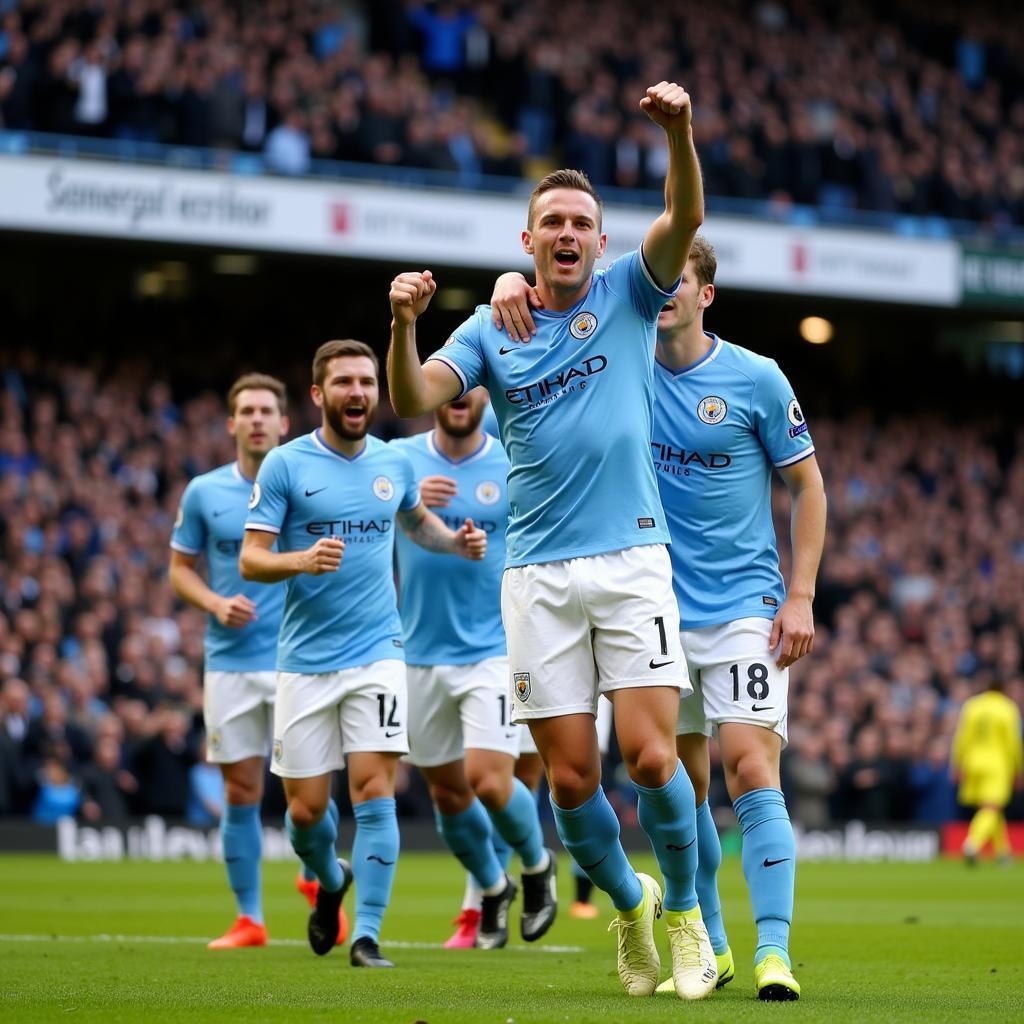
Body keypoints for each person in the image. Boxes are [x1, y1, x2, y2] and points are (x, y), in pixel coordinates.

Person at [387, 81, 718, 1000]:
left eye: (582, 220)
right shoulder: (494, 326)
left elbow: (685, 213)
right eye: (552, 223)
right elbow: (414, 400)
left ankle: (686, 913)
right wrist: (403, 324)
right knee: (571, 784)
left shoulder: (628, 293)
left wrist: (680, 133)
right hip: (533, 576)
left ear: (602, 241)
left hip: (630, 560)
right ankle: (630, 903)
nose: (568, 233)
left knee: (653, 758)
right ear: (526, 242)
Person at [489, 234, 826, 1001]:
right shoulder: (619, 366)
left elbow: (810, 488)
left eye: (683, 279)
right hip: (652, 601)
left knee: (750, 767)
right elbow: (549, 312)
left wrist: (801, 594)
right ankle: (704, 937)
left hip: (744, 604)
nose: (666, 288)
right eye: (659, 278)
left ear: (707, 294)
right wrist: (513, 279)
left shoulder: (757, 380)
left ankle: (773, 951)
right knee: (677, 780)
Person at [239, 339, 487, 969]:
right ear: (320, 395)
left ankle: (367, 935)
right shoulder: (285, 467)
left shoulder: (393, 463)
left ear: (378, 392)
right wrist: (300, 559)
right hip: (302, 661)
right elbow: (251, 558)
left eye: (367, 383)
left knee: (374, 791)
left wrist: (454, 543)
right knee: (305, 813)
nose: (357, 393)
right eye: (344, 383)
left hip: (379, 650)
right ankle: (330, 878)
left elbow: (412, 522)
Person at [391, 388, 556, 950]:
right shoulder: (401, 460)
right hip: (418, 649)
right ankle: (492, 886)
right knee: (446, 795)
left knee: (489, 778)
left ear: (486, 396)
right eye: (451, 388)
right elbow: (363, 513)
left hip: (495, 644)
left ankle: (537, 867)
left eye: (471, 389)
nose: (460, 397)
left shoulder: (513, 457)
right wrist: (409, 505)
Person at [170, 372, 316, 949]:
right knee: (240, 792)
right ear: (233, 423)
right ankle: (250, 919)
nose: (257, 420)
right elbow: (179, 568)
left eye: (267, 411)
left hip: (298, 658)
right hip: (229, 662)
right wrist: (212, 601)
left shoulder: (308, 486)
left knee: (307, 797)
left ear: (285, 422)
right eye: (247, 411)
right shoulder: (204, 492)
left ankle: (319, 882)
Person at [951, 679, 1023, 866]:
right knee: (992, 808)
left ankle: (1003, 853)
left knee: (988, 809)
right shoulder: (1007, 708)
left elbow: (961, 738)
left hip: (972, 762)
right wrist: (1018, 769)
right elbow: (1013, 742)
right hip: (997, 763)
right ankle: (972, 844)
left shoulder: (972, 706)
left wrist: (957, 764)